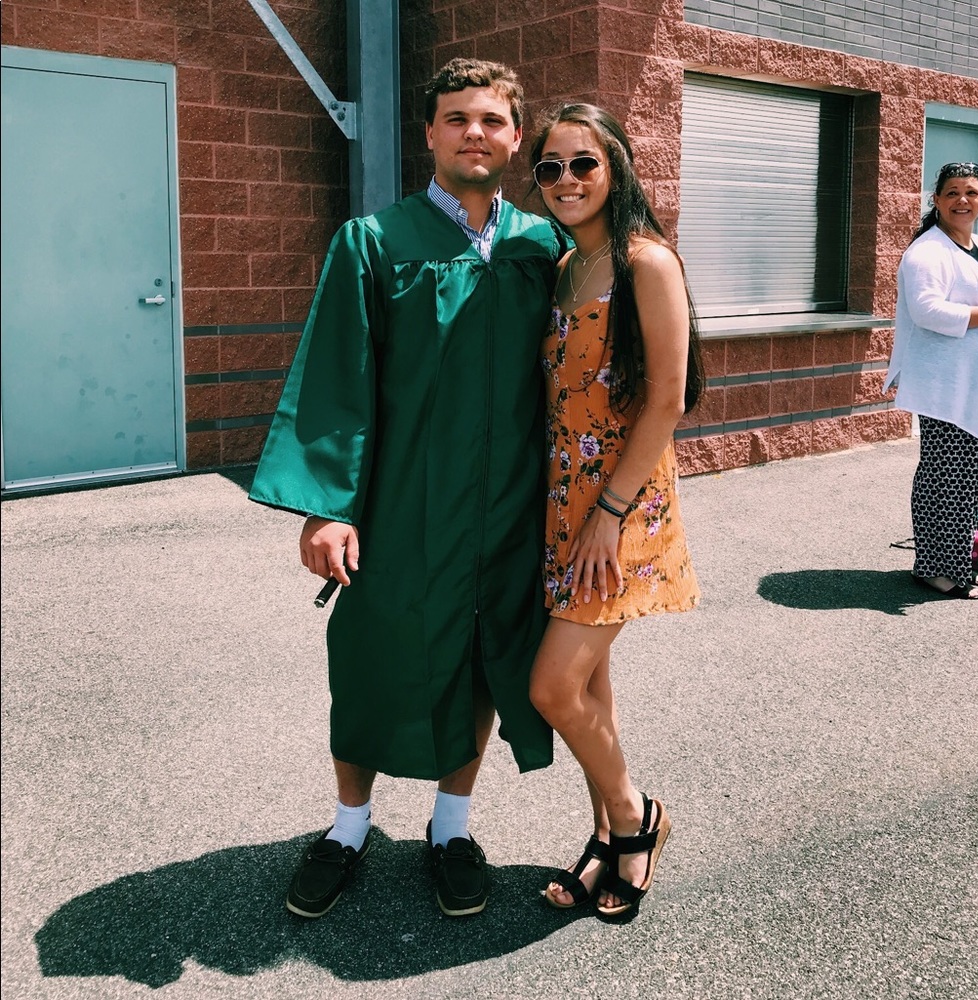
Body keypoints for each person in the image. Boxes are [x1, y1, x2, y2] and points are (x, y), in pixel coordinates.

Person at [249, 58, 564, 919]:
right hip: (397, 506)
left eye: (493, 120)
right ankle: (349, 826)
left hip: (508, 507)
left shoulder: (544, 247)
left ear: (514, 136)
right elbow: (336, 380)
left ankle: (451, 828)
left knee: (481, 662)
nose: (475, 132)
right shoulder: (374, 242)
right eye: (457, 118)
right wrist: (326, 505)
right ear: (428, 134)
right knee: (368, 659)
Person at [525, 103, 703, 918]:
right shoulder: (566, 266)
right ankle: (604, 839)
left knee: (553, 689)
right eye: (550, 167)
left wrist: (610, 511)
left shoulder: (646, 263)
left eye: (583, 163)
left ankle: (635, 820)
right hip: (566, 499)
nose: (566, 180)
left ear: (618, 167)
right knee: (590, 681)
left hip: (621, 506)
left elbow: (667, 398)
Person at [884, 161, 978, 600]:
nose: (962, 201)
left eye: (970, 192)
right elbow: (926, 310)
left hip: (972, 384)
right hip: (945, 385)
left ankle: (951, 563)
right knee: (945, 478)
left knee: (962, 477)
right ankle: (938, 570)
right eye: (952, 192)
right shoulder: (927, 252)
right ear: (936, 201)